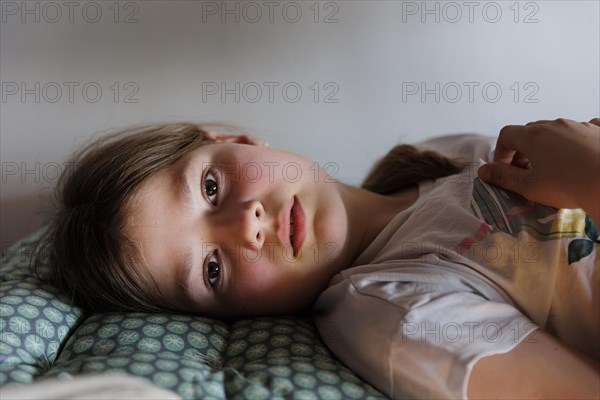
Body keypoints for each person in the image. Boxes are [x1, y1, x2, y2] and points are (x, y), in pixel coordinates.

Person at [33, 118, 599, 399]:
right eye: (212, 268)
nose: (246, 226)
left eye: (209, 188)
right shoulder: (397, 313)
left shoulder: (455, 153)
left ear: (234, 139)